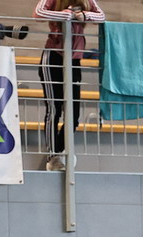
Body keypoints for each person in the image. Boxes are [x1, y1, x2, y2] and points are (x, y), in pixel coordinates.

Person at [34, 0, 105, 171]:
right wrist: (64, 14)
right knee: (54, 109)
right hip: (53, 56)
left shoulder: (86, 1)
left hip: (74, 61)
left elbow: (101, 16)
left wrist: (84, 15)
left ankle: (59, 152)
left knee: (73, 114)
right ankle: (53, 155)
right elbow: (38, 13)